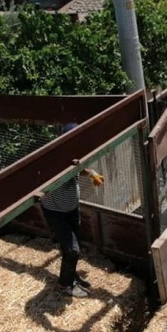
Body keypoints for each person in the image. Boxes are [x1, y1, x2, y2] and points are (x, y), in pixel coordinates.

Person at [41, 123, 105, 298]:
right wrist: (69, 167)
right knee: (72, 250)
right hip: (56, 211)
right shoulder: (54, 157)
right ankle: (65, 285)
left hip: (71, 209)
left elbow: (79, 169)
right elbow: (48, 179)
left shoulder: (74, 153)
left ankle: (72, 275)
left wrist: (91, 173)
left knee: (74, 244)